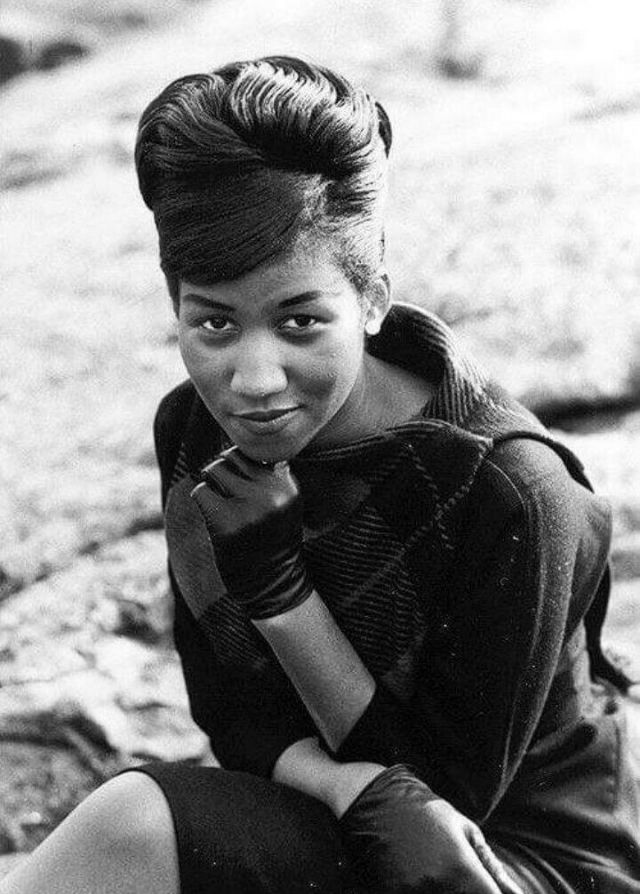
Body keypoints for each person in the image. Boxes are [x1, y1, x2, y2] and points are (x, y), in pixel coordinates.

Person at [2, 55, 639, 894]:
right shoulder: (193, 432)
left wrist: (280, 595)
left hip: (511, 862)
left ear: (372, 299)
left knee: (132, 824)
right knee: (129, 831)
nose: (253, 379)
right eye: (214, 324)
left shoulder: (511, 490)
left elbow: (432, 809)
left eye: (300, 321)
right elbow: (231, 717)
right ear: (175, 307)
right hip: (341, 808)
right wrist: (338, 784)